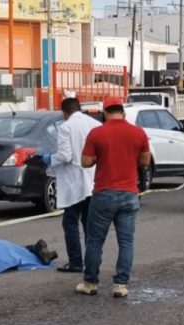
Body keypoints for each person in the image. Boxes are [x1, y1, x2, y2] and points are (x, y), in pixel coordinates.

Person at [76, 97, 151, 298]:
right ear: (123, 112)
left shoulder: (97, 133)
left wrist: (100, 157)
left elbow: (85, 162)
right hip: (129, 194)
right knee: (126, 241)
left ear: (106, 113)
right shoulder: (138, 132)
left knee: (95, 240)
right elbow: (145, 161)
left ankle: (90, 283)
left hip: (103, 194)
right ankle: (120, 285)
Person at [42, 98, 101, 273]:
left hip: (74, 183)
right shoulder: (95, 124)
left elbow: (65, 155)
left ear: (64, 112)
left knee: (70, 223)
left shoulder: (65, 127)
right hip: (92, 180)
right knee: (90, 224)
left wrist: (50, 159)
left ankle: (76, 262)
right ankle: (93, 261)